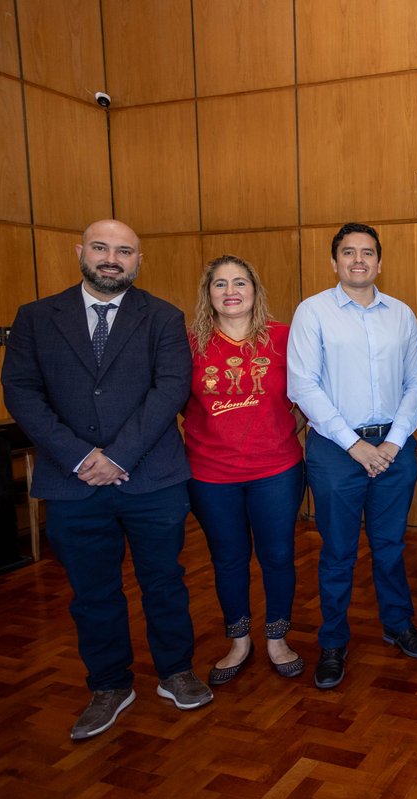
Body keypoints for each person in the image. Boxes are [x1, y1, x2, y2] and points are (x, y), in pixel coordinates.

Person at [1, 219, 212, 740]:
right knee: (92, 592)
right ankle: (109, 685)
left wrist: (118, 456)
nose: (111, 258)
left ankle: (175, 671)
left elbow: (170, 391)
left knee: (164, 583)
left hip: (151, 479)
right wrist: (79, 457)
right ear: (82, 252)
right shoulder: (35, 318)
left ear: (138, 261)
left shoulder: (163, 317)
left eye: (123, 251)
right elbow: (22, 392)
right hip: (71, 484)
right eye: (101, 248)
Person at [288, 222, 417, 690]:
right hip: (335, 451)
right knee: (338, 552)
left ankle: (397, 623)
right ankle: (333, 642)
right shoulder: (312, 313)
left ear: (378, 261)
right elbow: (302, 386)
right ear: (334, 262)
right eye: (348, 253)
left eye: (367, 252)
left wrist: (392, 442)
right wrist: (354, 444)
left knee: (391, 546)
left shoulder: (402, 315)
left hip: (394, 447)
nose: (358, 260)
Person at [183, 255, 305, 684]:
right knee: (228, 560)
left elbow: (308, 394)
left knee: (277, 556)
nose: (230, 291)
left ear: (255, 290)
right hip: (211, 475)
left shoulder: (285, 338)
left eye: (239, 282)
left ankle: (276, 638)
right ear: (208, 294)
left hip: (276, 470)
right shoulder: (190, 344)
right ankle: (239, 640)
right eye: (220, 284)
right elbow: (177, 403)